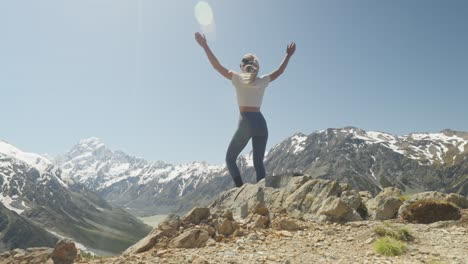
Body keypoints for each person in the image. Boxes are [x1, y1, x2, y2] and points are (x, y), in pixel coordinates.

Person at [195, 32, 296, 187]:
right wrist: (288, 56)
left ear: (243, 66)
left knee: (230, 159)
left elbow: (216, 66)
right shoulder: (263, 80)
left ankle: (240, 190)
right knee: (258, 163)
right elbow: (279, 71)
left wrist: (205, 46)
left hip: (246, 123)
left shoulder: (237, 77)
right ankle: (263, 194)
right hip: (261, 123)